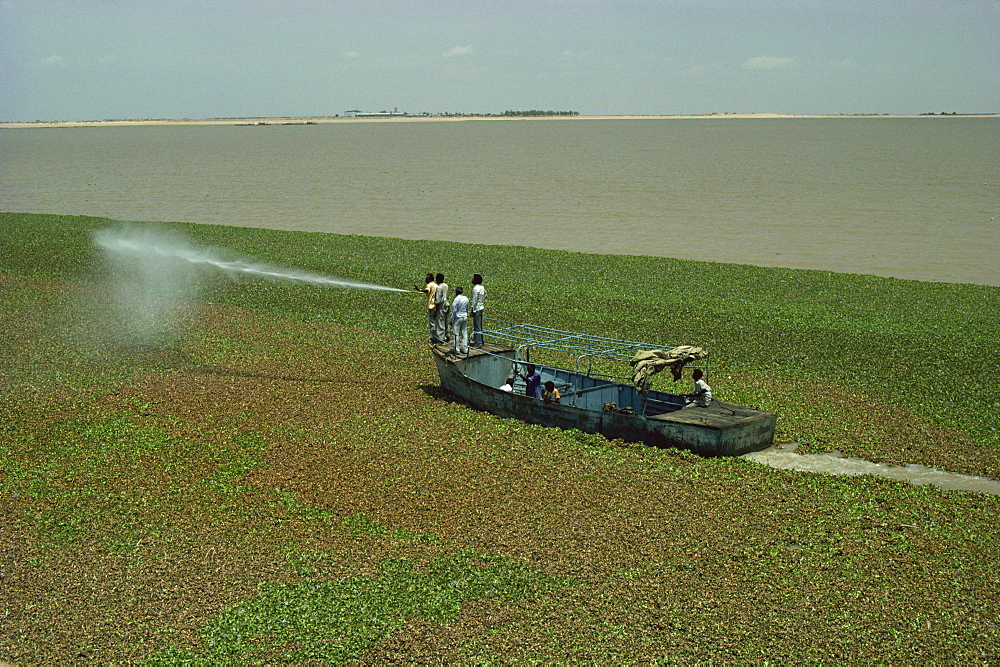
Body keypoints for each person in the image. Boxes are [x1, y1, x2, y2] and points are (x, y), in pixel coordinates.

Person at [414, 273, 438, 343]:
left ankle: (434, 337)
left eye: (426, 279)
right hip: (436, 305)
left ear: (429, 279)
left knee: (432, 323)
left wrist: (420, 289)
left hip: (431, 306)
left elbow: (427, 290)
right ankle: (439, 336)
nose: (425, 280)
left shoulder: (430, 285)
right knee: (436, 322)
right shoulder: (436, 285)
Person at [449, 286, 470, 355]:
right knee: (464, 333)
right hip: (465, 317)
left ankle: (457, 349)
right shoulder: (466, 298)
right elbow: (467, 309)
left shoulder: (456, 299)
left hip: (458, 318)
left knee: (456, 334)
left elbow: (454, 310)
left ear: (456, 292)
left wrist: (451, 320)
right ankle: (465, 349)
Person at [470, 273, 487, 347]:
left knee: (477, 326)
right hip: (481, 307)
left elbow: (474, 300)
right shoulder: (482, 287)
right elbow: (485, 294)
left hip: (477, 308)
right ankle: (481, 341)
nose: (472, 280)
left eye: (473, 279)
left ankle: (478, 343)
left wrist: (472, 310)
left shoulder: (475, 288)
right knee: (480, 325)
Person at [434, 273, 449, 344]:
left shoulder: (439, 288)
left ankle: (441, 339)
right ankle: (447, 335)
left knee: (440, 322)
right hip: (446, 305)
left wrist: (435, 310)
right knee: (446, 321)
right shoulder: (446, 285)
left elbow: (438, 300)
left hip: (441, 306)